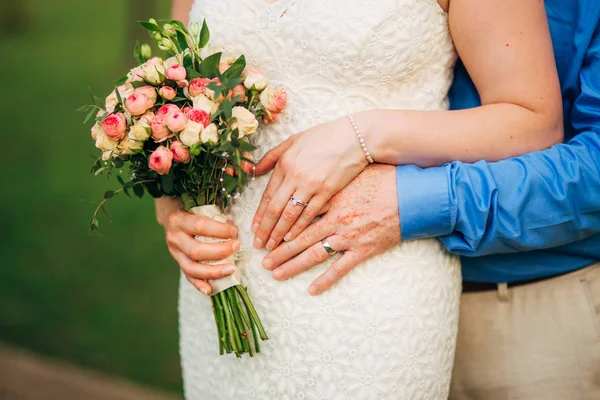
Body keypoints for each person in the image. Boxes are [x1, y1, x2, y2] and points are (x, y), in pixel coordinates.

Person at [160, 0, 563, 398]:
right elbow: (172, 85)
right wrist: (174, 207)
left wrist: (365, 136)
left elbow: (534, 120)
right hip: (219, 282)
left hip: (366, 289)